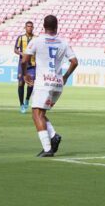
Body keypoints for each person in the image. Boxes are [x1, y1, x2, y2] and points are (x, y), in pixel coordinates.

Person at [22, 15, 78, 157]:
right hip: (57, 84)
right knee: (41, 114)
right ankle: (54, 136)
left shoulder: (37, 41)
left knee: (36, 115)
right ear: (57, 26)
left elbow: (24, 60)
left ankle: (47, 149)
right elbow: (75, 62)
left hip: (43, 83)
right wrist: (65, 77)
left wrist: (25, 74)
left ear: (43, 26)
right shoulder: (63, 42)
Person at [15, 21, 36, 114]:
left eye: (31, 26)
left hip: (32, 65)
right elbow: (15, 49)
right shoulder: (20, 38)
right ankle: (21, 105)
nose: (29, 28)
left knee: (31, 84)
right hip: (22, 64)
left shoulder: (36, 39)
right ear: (25, 27)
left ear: (33, 28)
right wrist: (21, 53)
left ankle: (27, 99)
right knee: (21, 84)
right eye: (28, 26)